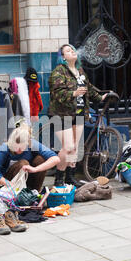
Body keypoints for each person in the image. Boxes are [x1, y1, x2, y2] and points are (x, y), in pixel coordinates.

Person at [48, 44, 108, 187]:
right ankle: (59, 179)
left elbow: (88, 88)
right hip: (62, 115)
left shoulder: (80, 71)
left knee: (75, 148)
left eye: (73, 49)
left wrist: (101, 97)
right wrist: (73, 94)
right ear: (63, 57)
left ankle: (70, 177)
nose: (72, 52)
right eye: (68, 51)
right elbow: (57, 93)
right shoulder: (59, 71)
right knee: (67, 147)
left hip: (79, 113)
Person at [0, 123, 60, 192]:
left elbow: (55, 159)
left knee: (40, 159)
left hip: (28, 179)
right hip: (9, 181)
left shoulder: (32, 144)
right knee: (23, 163)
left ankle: (34, 191)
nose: (18, 150)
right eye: (15, 147)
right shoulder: (5, 147)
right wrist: (9, 184)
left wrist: (35, 169)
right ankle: (17, 192)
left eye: (22, 147)